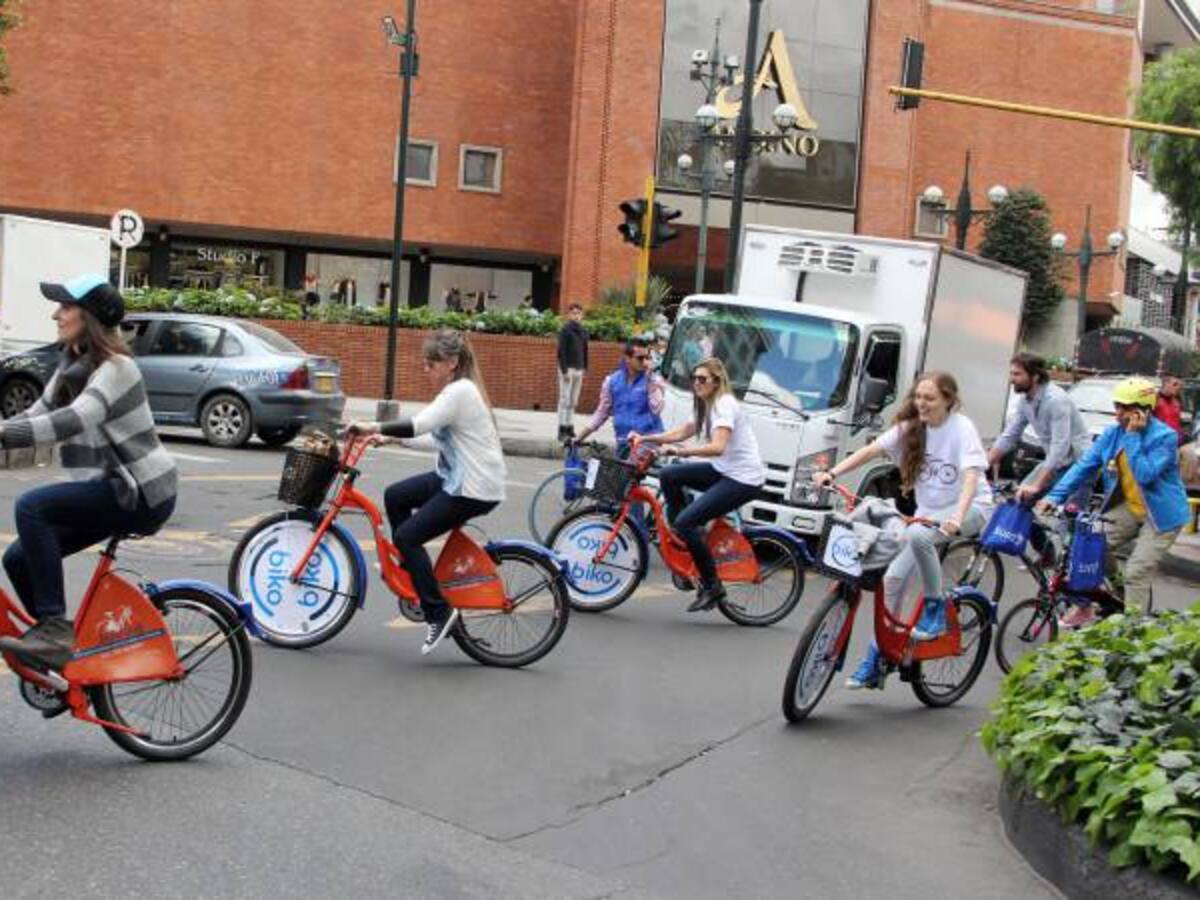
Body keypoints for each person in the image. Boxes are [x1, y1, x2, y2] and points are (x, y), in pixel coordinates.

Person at [0, 274, 178, 670]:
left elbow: (76, 419)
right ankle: (58, 654)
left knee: (32, 508)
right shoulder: (72, 369)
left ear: (89, 317)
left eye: (65, 307)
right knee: (17, 559)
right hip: (112, 486)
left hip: (142, 493)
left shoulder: (118, 369)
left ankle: (54, 633)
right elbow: (34, 418)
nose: (55, 315)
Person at [814, 372, 992, 689]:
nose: (922, 403)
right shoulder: (912, 429)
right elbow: (870, 451)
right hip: (928, 514)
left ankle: (935, 610)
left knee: (918, 535)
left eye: (930, 398)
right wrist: (832, 472)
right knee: (893, 579)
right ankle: (877, 658)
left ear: (948, 400)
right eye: (918, 397)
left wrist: (956, 518)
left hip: (973, 508)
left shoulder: (961, 428)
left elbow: (969, 478)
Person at [346, 330, 505, 655]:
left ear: (451, 363)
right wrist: (391, 439)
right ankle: (413, 574)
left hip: (472, 487)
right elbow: (436, 436)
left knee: (407, 537)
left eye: (430, 364)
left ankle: (438, 611)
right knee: (395, 496)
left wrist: (374, 427)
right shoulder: (456, 391)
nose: (426, 370)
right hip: (455, 478)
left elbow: (420, 424)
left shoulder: (460, 392)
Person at [1038, 376, 1188, 624]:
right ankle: (1114, 595)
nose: (1118, 413)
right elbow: (1084, 466)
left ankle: (1131, 633)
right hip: (1129, 507)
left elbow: (1145, 475)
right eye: (1117, 406)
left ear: (1143, 409)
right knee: (1090, 543)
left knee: (1137, 572)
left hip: (1162, 515)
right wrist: (1054, 496)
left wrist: (1133, 436)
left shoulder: (1165, 437)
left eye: (1125, 408)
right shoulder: (1111, 434)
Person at [631, 358, 766, 613]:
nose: (696, 383)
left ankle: (713, 586)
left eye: (702, 379)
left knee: (686, 520)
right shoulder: (707, 404)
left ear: (717, 381)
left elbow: (717, 447)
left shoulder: (724, 404)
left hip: (743, 479)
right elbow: (682, 431)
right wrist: (647, 439)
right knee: (670, 475)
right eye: (694, 378)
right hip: (724, 470)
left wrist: (681, 452)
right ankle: (686, 537)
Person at [987, 352, 1091, 563]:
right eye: (1011, 373)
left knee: (1068, 522)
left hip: (1079, 464)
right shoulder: (1025, 401)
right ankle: (1047, 554)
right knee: (1020, 500)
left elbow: (1060, 447)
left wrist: (1038, 484)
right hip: (1056, 461)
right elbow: (1010, 435)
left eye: (1017, 374)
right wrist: (982, 464)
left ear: (1034, 376)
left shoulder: (1056, 400)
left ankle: (1076, 569)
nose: (1012, 378)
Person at [574, 337, 664, 457]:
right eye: (640, 358)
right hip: (624, 441)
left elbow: (657, 409)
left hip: (648, 442)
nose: (645, 362)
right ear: (627, 358)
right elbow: (601, 412)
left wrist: (650, 380)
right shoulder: (611, 381)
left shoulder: (654, 380)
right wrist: (579, 437)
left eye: (647, 357)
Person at [556, 302, 589, 442]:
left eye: (578, 313)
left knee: (573, 400)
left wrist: (585, 367)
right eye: (573, 313)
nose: (576, 316)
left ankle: (569, 427)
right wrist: (564, 370)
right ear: (569, 315)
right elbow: (561, 351)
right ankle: (562, 429)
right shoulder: (565, 330)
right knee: (564, 399)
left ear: (582, 315)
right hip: (567, 368)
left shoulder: (583, 331)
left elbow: (585, 350)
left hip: (579, 368)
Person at [1155, 375, 1185, 445]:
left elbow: (1177, 421)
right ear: (1166, 383)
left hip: (1174, 441)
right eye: (1175, 384)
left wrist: (1181, 434)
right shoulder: (1154, 399)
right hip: (1159, 442)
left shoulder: (1177, 400)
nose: (1178, 387)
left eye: (1180, 385)